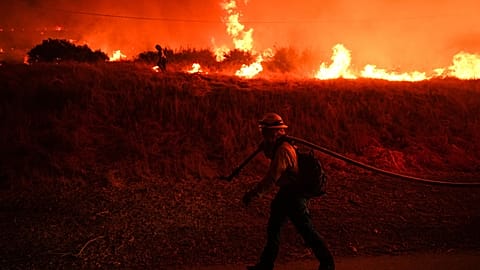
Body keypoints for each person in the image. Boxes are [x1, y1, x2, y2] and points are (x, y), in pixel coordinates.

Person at [242, 113, 335, 270]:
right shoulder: (279, 146)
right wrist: (266, 146)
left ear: (275, 131)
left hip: (294, 195)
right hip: (287, 193)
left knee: (306, 230)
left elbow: (271, 178)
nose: (263, 134)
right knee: (274, 227)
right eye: (262, 131)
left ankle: (327, 263)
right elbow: (272, 158)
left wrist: (253, 194)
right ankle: (266, 264)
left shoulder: (284, 150)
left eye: (265, 131)